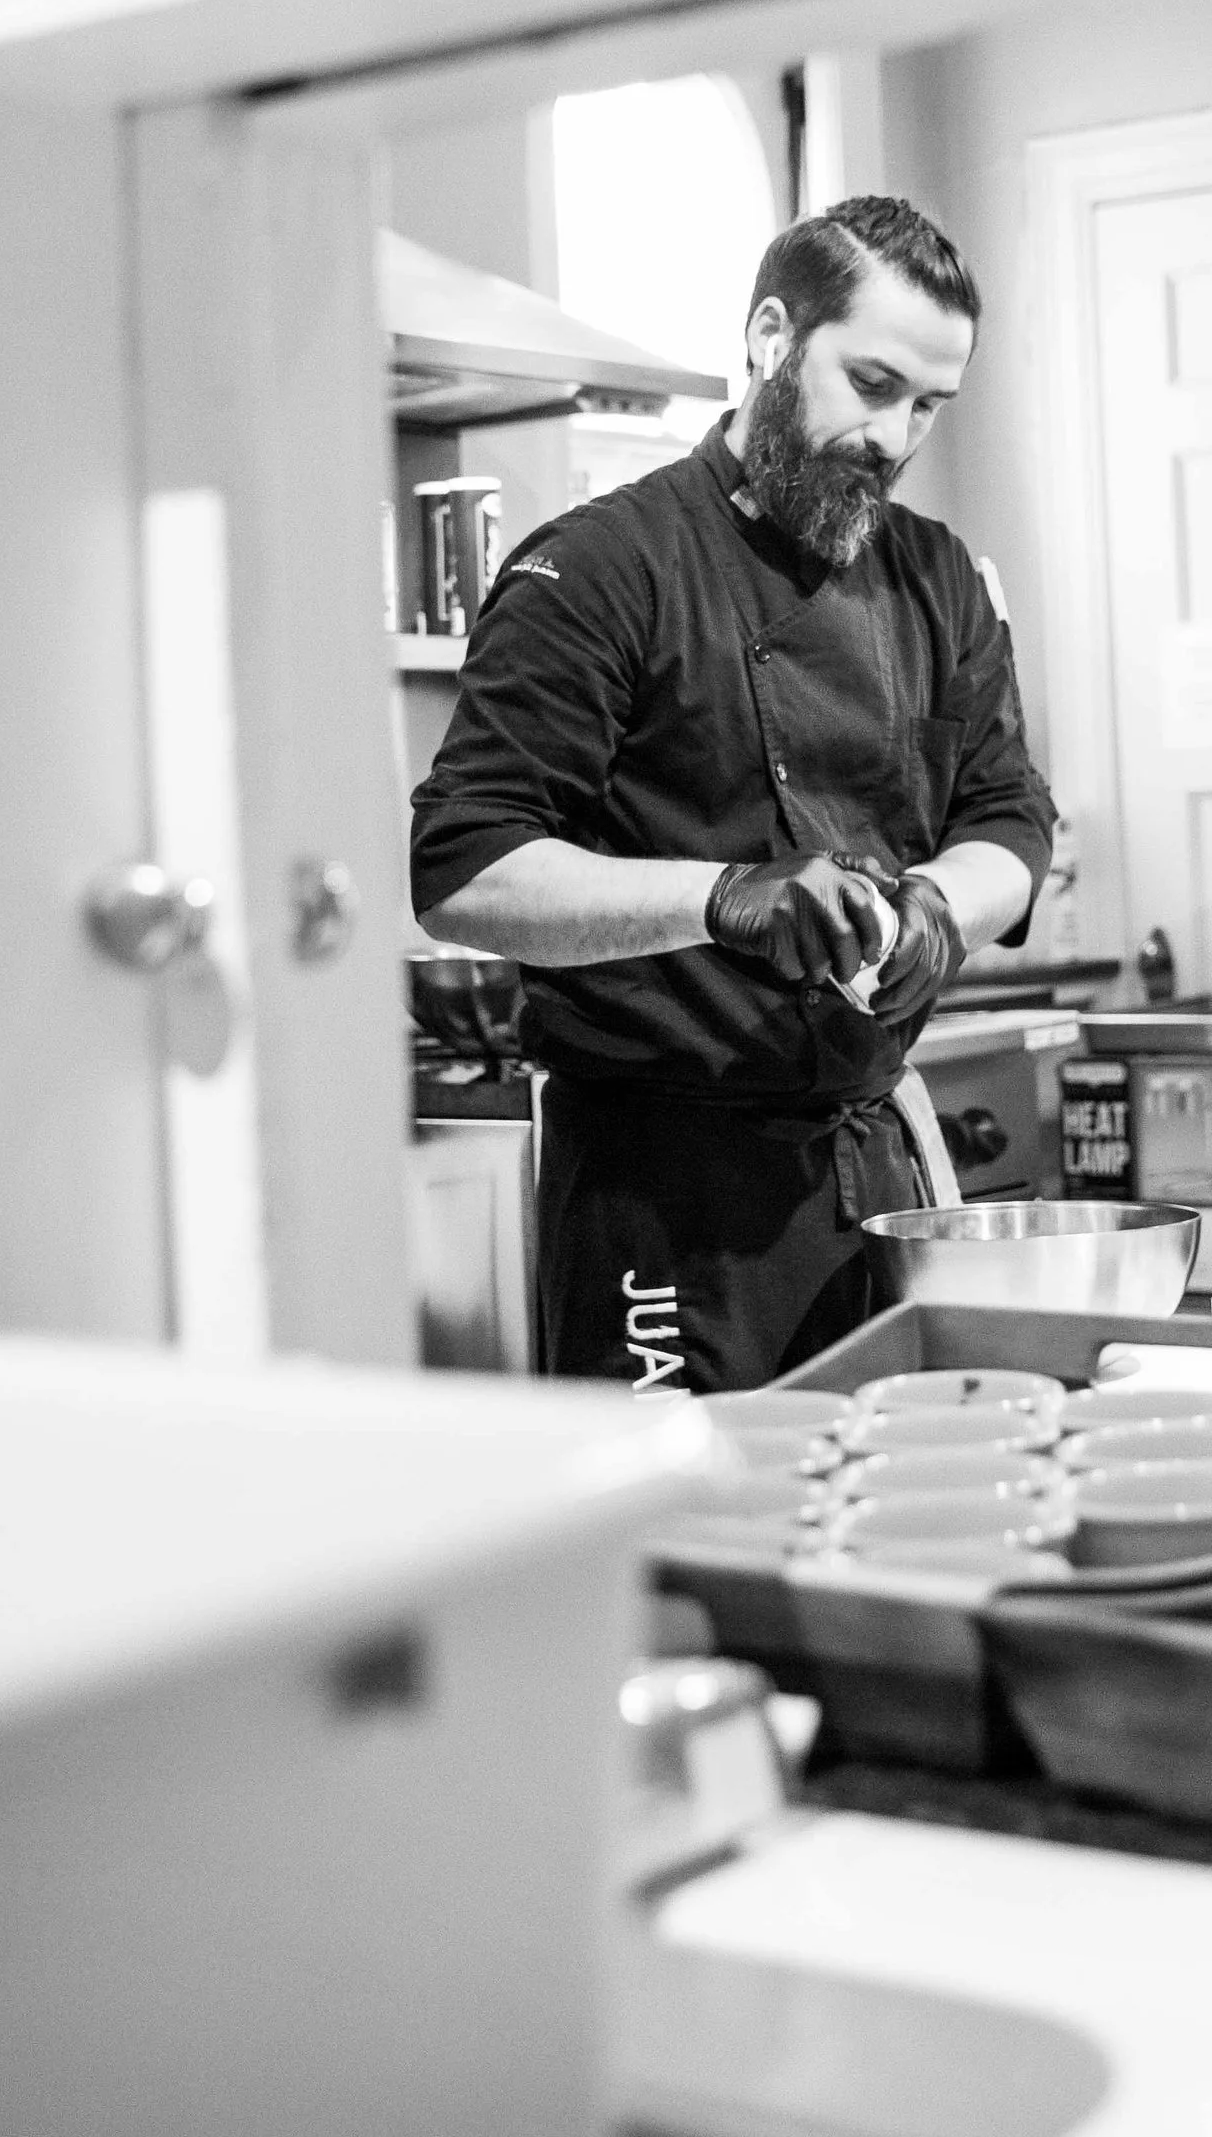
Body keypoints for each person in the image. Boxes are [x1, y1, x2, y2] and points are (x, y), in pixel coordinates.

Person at [410, 193, 1055, 1392]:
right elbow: (464, 867)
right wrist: (720, 898)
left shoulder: (938, 577)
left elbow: (1010, 817)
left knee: (894, 1482)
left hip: (872, 1168)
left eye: (927, 405)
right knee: (699, 1502)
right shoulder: (598, 570)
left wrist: (937, 908)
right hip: (661, 1190)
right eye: (871, 384)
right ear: (771, 337)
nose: (894, 435)